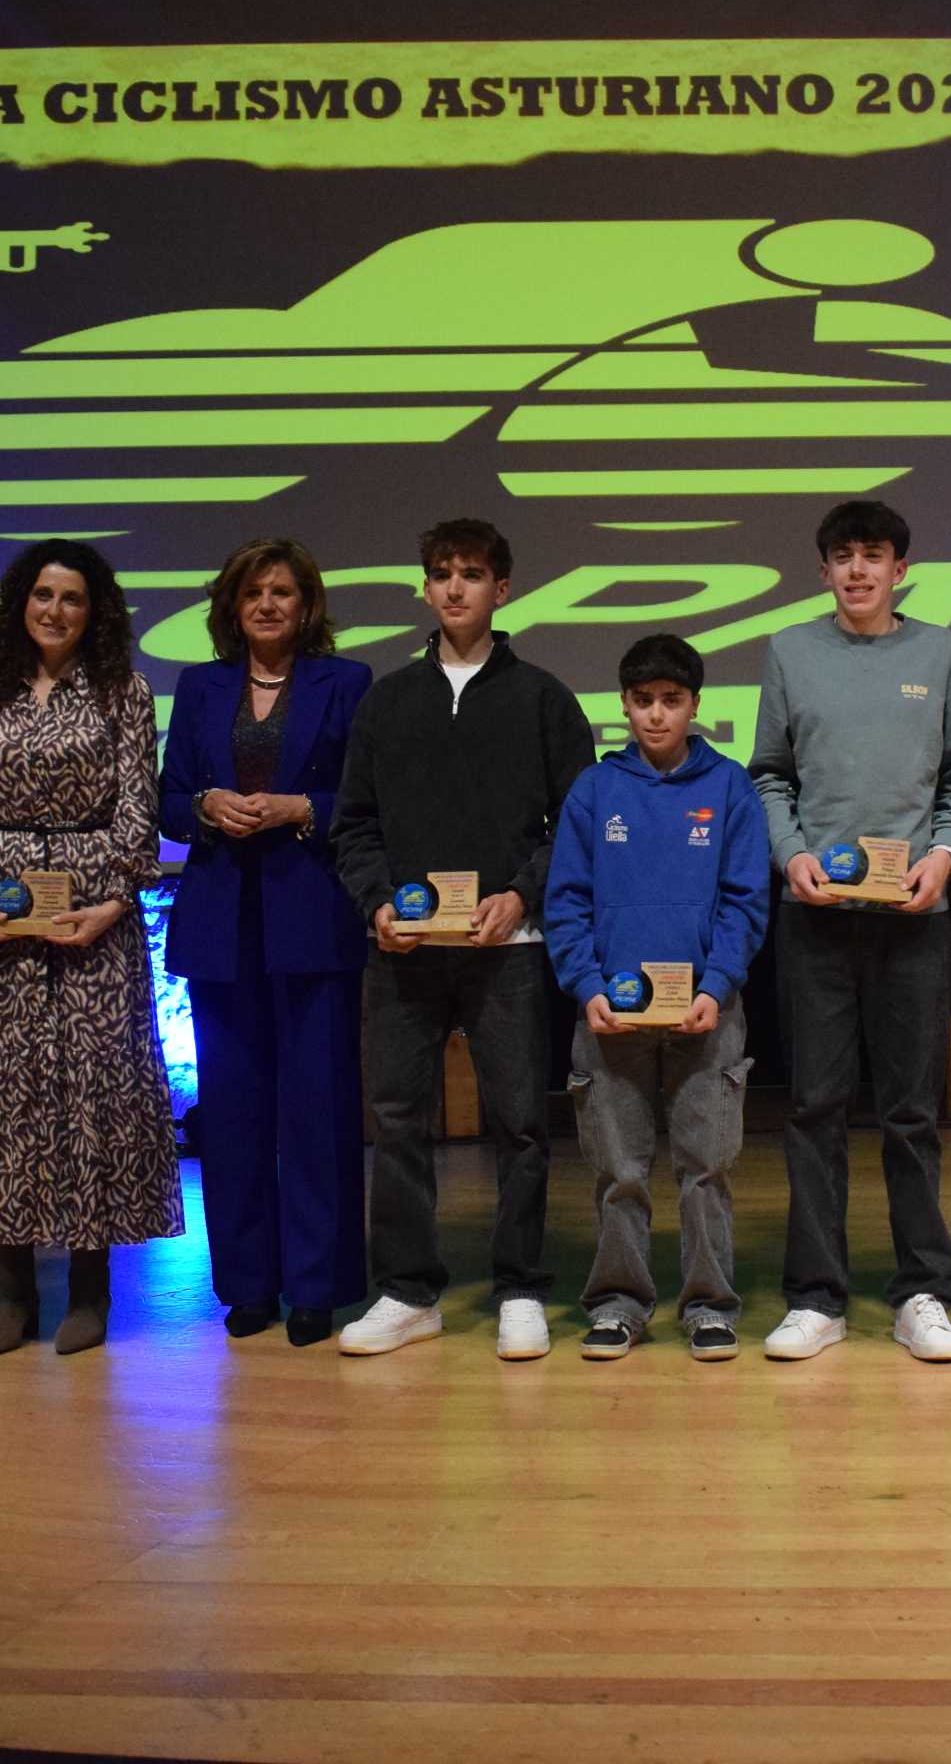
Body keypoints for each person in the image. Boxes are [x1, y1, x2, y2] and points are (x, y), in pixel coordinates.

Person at [329, 518, 593, 1359]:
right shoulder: (387, 699)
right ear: (426, 586)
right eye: (440, 573)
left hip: (505, 952)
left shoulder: (543, 698)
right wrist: (376, 903)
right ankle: (409, 1291)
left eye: (471, 574)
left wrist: (522, 895)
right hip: (403, 953)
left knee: (520, 1123)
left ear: (502, 588)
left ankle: (519, 1286)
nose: (454, 588)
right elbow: (355, 825)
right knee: (399, 1120)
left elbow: (575, 823)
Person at [0, 541, 181, 1356]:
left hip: (93, 919)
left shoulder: (124, 693)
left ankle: (88, 1289)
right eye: (42, 595)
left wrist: (110, 903)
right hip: (1, 919)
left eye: (72, 598)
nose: (55, 610)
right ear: (19, 604)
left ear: (95, 611)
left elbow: (136, 818)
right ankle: (13, 1292)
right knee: (9, 1099)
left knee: (92, 1099)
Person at [750, 499, 951, 1363]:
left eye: (873, 556)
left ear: (900, 569)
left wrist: (945, 857)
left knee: (913, 1113)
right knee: (813, 1109)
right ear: (823, 571)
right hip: (815, 921)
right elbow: (769, 776)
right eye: (842, 557)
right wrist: (790, 855)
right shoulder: (791, 653)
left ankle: (922, 1290)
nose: (857, 571)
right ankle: (816, 1297)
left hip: (914, 918)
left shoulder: (939, 652)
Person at [159, 538, 373, 1347]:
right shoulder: (201, 685)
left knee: (317, 1110)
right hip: (221, 923)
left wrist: (300, 809)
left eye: (284, 591)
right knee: (235, 1112)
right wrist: (208, 803)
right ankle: (248, 1285)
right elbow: (169, 798)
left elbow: (360, 793)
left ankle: (318, 1287)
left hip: (313, 916)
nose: (269, 604)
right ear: (232, 605)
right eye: (254, 591)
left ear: (307, 604)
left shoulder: (346, 682)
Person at [543, 634, 770, 1362]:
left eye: (672, 701)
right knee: (620, 1173)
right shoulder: (593, 790)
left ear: (695, 706)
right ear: (624, 705)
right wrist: (584, 986)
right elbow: (567, 900)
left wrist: (717, 984)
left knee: (706, 1169)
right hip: (610, 1016)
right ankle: (618, 1302)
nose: (656, 715)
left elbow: (745, 900)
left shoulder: (730, 787)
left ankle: (709, 1305)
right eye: (643, 701)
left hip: (708, 1014)